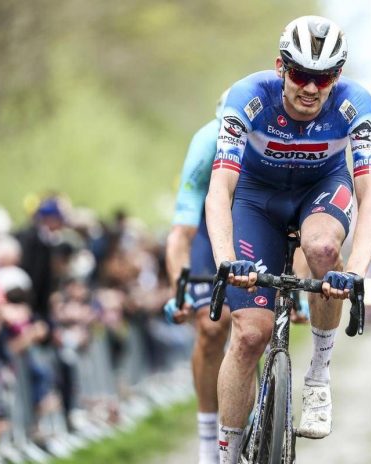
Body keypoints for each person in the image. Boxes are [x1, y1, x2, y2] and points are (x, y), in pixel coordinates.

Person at [205, 15, 371, 463]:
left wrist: (355, 273)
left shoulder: (354, 104)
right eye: (301, 74)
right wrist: (227, 260)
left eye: (323, 78)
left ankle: (319, 376)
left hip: (320, 191)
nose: (310, 88)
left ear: (337, 76)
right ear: (280, 67)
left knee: (323, 250)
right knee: (250, 335)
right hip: (256, 199)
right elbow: (220, 188)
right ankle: (227, 455)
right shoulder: (249, 97)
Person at [163, 95, 233, 464]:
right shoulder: (207, 142)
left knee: (259, 325)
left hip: (259, 225)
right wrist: (180, 291)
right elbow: (181, 233)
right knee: (212, 327)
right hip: (209, 230)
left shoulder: (278, 139)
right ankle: (208, 440)